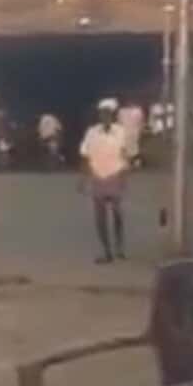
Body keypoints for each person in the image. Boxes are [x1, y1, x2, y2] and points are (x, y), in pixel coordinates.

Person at [80, 98, 129, 264]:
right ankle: (107, 251)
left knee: (117, 213)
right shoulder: (92, 132)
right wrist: (83, 178)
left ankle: (119, 247)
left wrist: (125, 176)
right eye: (102, 114)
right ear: (99, 115)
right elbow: (85, 155)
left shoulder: (120, 132)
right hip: (98, 175)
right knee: (100, 217)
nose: (105, 117)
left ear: (113, 116)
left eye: (108, 114)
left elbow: (125, 154)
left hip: (115, 174)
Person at [117, 97, 145, 168]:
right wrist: (140, 130)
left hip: (126, 132)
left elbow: (119, 122)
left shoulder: (122, 111)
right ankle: (135, 162)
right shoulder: (138, 111)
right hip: (134, 132)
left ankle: (129, 162)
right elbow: (141, 122)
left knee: (127, 147)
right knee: (133, 147)